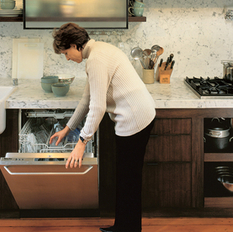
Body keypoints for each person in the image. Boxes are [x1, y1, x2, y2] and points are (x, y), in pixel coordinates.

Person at [49, 23, 156, 232]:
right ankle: (125, 227)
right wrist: (68, 128)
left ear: (74, 45)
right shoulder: (98, 52)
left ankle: (128, 228)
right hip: (138, 116)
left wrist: (82, 142)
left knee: (128, 179)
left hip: (135, 120)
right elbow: (87, 99)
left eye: (66, 53)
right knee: (126, 178)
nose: (67, 58)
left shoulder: (97, 59)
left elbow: (97, 108)